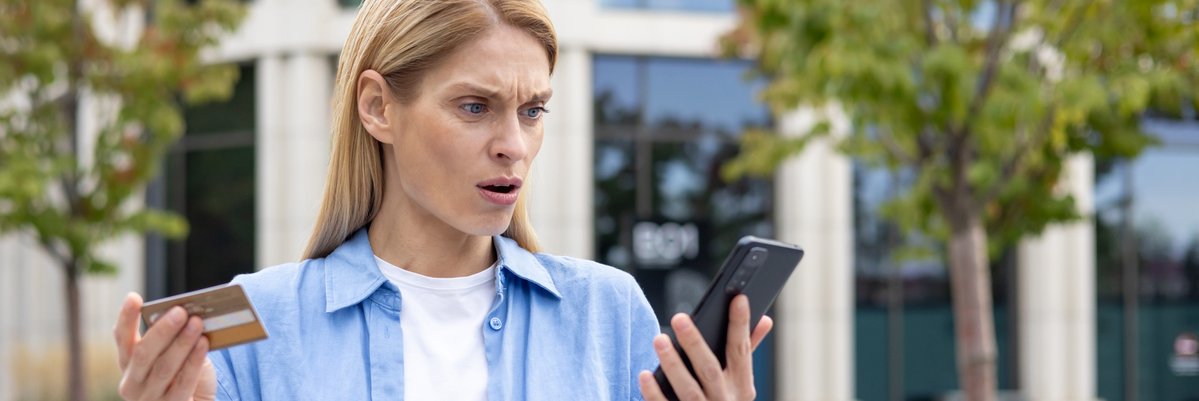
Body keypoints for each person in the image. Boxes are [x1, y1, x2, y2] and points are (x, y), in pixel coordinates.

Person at [111, 0, 773, 400]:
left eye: (533, 109)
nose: (513, 144)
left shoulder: (608, 311)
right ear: (377, 107)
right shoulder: (249, 325)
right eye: (474, 106)